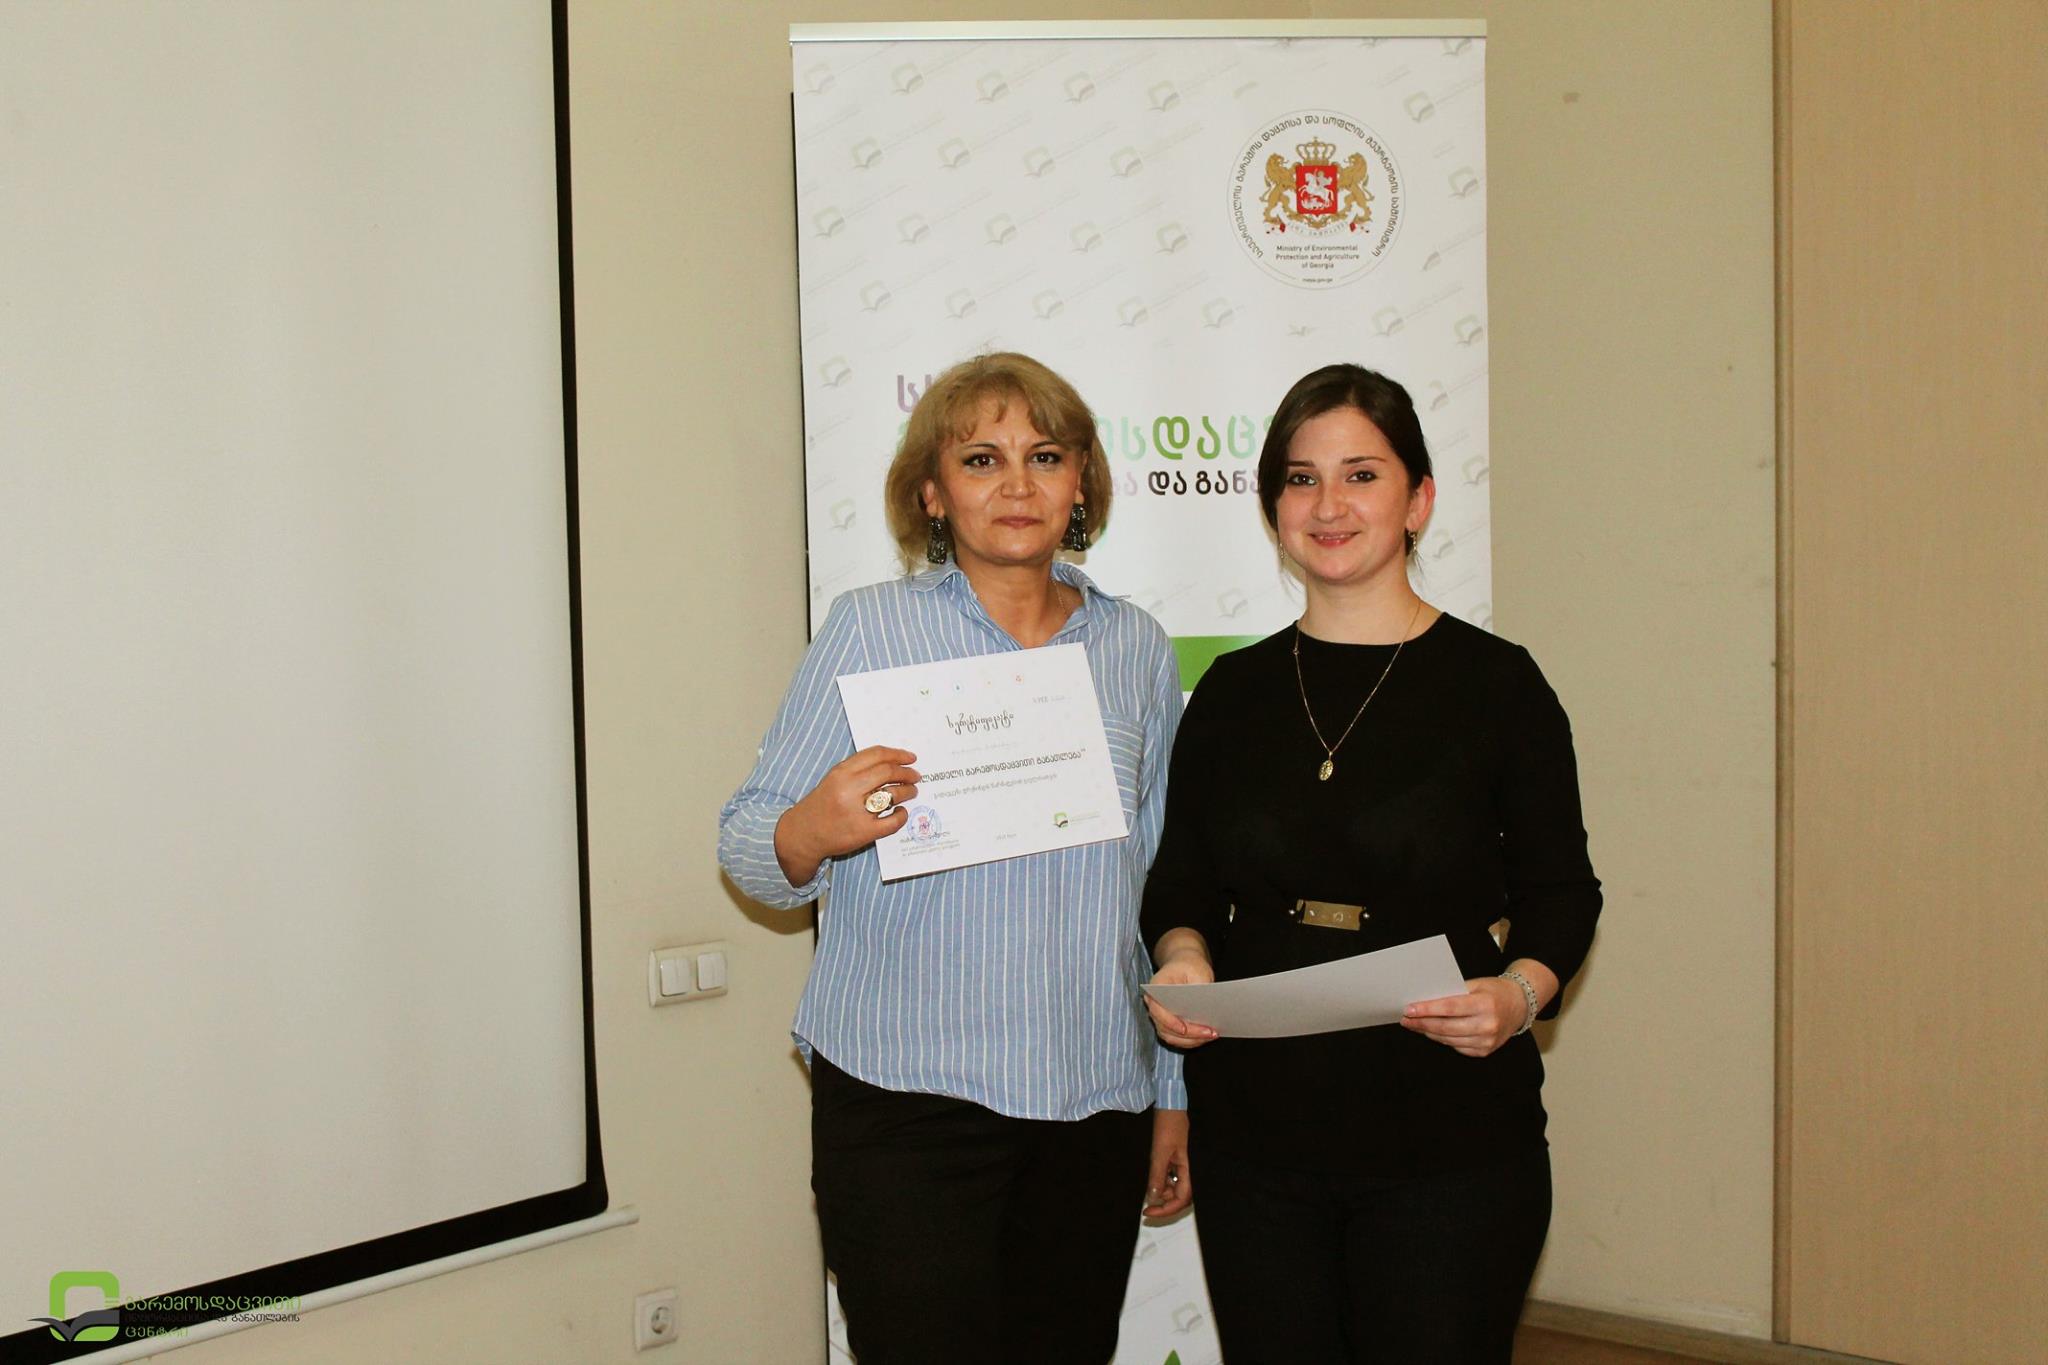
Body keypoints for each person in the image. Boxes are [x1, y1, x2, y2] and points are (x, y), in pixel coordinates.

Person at [718, 352, 1190, 1365]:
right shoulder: (869, 629)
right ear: (932, 493)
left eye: (1044, 456)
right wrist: (816, 825)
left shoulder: (1136, 650)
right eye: (981, 459)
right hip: (907, 1104)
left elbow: (1161, 884)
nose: (1016, 484)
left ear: (1081, 484)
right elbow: (748, 843)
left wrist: (1172, 1093)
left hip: (1093, 1099)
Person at [1139, 363, 1601, 1363]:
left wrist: (1518, 995)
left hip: (1447, 1141)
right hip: (1256, 1142)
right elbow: (1181, 884)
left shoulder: (1499, 686)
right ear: (1273, 509)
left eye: (1361, 475)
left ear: (1418, 500)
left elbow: (1561, 892)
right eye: (1300, 479)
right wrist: (1183, 956)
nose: (1328, 505)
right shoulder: (1229, 694)